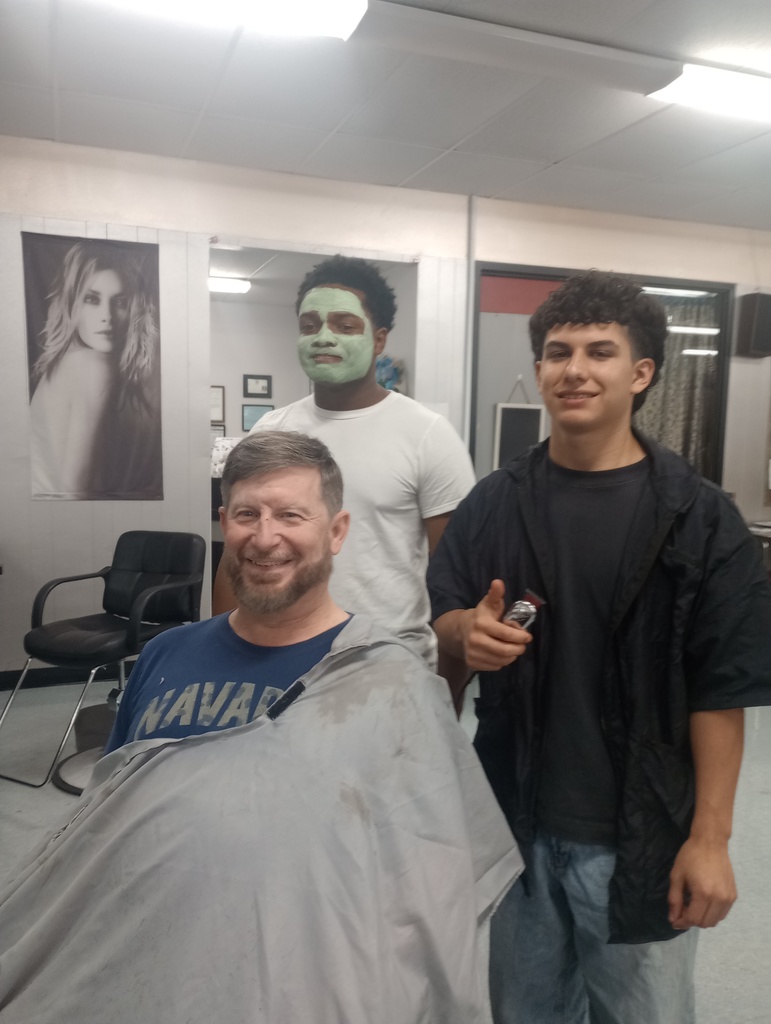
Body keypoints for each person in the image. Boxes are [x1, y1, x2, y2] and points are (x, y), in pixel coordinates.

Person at [0, 431, 522, 1024]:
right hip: (149, 969)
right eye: (247, 514)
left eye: (291, 515)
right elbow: (106, 823)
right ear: (225, 523)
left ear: (337, 532)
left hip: (301, 982)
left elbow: (435, 885)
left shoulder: (392, 682)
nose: (265, 537)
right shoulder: (165, 655)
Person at [427, 270, 771, 1024]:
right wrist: (464, 631)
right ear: (539, 368)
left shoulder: (700, 520)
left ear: (640, 373)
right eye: (557, 352)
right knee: (524, 1011)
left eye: (599, 352)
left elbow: (720, 688)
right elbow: (445, 613)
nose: (574, 369)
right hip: (515, 823)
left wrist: (711, 838)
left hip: (640, 834)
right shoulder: (495, 503)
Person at [212, 254, 475, 671]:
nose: (323, 337)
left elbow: (457, 582)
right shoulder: (271, 429)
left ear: (379, 339)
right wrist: (221, 655)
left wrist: (447, 691)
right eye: (309, 326)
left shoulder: (427, 435)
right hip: (280, 659)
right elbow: (238, 555)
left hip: (388, 663)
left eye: (344, 325)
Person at [28, 239, 161, 499]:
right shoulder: (93, 366)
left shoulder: (70, 361)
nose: (106, 316)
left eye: (120, 302)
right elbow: (76, 491)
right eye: (92, 299)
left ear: (134, 310)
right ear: (72, 305)